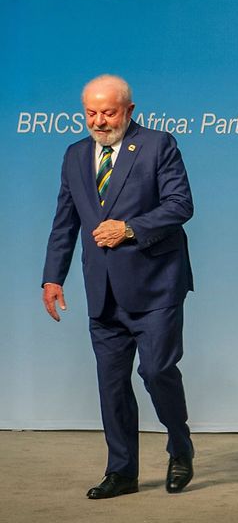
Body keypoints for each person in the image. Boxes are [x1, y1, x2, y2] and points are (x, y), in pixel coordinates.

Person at [42, 74, 195, 499]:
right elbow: (64, 222)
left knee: (156, 371)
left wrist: (129, 229)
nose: (99, 121)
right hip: (102, 290)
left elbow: (181, 205)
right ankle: (122, 471)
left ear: (129, 110)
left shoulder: (158, 145)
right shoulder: (75, 155)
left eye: (108, 112)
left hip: (156, 286)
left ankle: (180, 446)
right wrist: (53, 276)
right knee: (111, 385)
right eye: (91, 113)